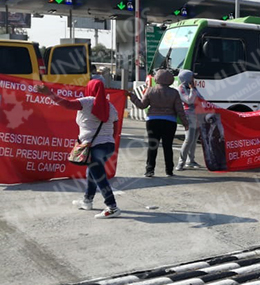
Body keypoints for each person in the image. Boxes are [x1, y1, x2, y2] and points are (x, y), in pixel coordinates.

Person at [38, 80, 121, 219]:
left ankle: (112, 206)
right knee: (93, 172)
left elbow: (67, 104)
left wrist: (49, 94)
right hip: (108, 145)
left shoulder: (87, 101)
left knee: (99, 176)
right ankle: (87, 200)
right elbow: (115, 130)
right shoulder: (111, 107)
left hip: (94, 146)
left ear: (90, 89)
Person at [128, 69, 188, 177]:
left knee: (152, 146)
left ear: (156, 78)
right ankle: (169, 170)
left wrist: (132, 96)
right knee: (167, 146)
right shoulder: (174, 93)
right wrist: (186, 124)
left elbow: (142, 105)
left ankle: (149, 170)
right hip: (169, 122)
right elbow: (180, 110)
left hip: (153, 121)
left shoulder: (150, 90)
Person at [176, 70, 203, 171]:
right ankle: (180, 162)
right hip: (189, 116)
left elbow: (201, 98)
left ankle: (190, 161)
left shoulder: (193, 88)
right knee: (188, 139)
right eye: (192, 77)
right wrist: (193, 90)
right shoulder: (181, 89)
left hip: (197, 115)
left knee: (194, 139)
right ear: (187, 78)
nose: (193, 79)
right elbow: (189, 100)